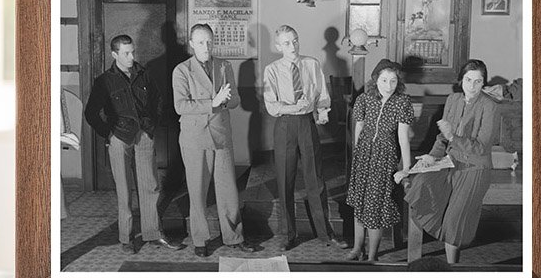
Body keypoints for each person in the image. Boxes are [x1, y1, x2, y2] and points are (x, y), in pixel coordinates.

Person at [84, 35, 181, 254]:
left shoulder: (143, 75)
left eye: (133, 52)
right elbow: (91, 113)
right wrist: (109, 134)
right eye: (126, 53)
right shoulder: (104, 81)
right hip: (119, 138)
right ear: (114, 54)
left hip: (144, 135)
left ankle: (153, 233)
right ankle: (126, 238)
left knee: (150, 186)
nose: (131, 57)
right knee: (124, 190)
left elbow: (157, 101)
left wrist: (151, 125)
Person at [405, 58, 501, 265]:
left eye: (478, 81)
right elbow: (441, 138)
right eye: (468, 80)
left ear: (484, 82)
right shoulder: (453, 100)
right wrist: (432, 156)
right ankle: (415, 259)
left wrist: (453, 138)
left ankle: (452, 268)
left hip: (475, 169)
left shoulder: (490, 106)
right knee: (419, 186)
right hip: (450, 162)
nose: (473, 86)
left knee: (453, 220)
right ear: (461, 80)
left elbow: (481, 147)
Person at [172, 23, 256, 257]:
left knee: (228, 189)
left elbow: (236, 99)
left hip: (220, 133)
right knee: (197, 191)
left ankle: (233, 236)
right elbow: (180, 106)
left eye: (209, 41)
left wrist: (226, 101)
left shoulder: (224, 65)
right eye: (200, 42)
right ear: (191, 44)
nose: (206, 46)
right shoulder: (181, 70)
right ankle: (200, 239)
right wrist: (214, 102)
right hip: (194, 137)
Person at [262, 25, 346, 249]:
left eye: (295, 40)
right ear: (278, 46)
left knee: (315, 179)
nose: (293, 46)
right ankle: (289, 235)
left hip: (306, 124)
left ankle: (325, 233)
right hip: (285, 126)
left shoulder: (311, 64)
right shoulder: (271, 70)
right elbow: (272, 105)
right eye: (287, 43)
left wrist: (323, 111)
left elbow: (321, 94)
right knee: (285, 180)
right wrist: (291, 107)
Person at [345, 58, 414, 263]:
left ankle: (372, 256)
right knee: (360, 204)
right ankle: (357, 248)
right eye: (384, 80)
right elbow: (358, 126)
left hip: (384, 158)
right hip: (363, 156)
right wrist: (357, 151)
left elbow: (403, 137)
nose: (388, 86)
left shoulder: (402, 102)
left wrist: (407, 166)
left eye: (393, 81)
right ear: (376, 80)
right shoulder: (365, 99)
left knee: (374, 207)